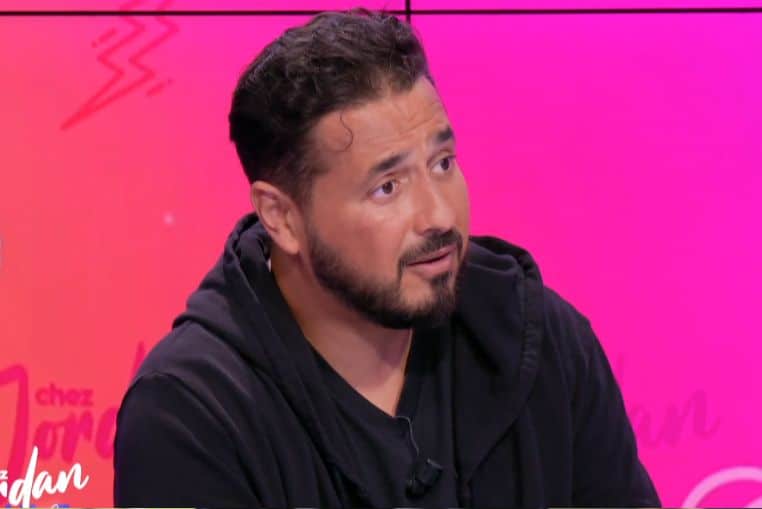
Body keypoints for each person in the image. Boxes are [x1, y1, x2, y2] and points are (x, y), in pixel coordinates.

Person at [113, 8, 660, 508]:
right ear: (281, 218)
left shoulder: (538, 342)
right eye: (388, 188)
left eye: (443, 163)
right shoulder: (192, 415)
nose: (439, 215)